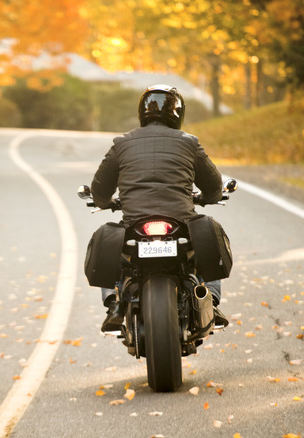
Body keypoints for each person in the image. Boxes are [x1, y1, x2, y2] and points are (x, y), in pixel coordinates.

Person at [91, 84, 228, 332]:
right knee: (207, 239)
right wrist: (210, 197)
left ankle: (113, 304)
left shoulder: (121, 143)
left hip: (135, 222)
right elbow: (213, 184)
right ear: (178, 113)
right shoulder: (189, 142)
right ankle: (211, 301)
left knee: (114, 245)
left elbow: (100, 189)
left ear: (142, 112)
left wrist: (105, 202)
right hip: (181, 220)